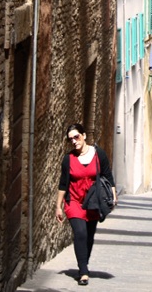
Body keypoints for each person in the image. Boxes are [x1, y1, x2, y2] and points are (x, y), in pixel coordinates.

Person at [56, 123, 117, 286]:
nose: (74, 141)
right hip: (73, 201)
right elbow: (63, 184)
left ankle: (84, 263)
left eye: (76, 137)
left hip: (93, 202)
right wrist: (58, 206)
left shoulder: (99, 154)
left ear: (83, 135)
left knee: (89, 236)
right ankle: (83, 271)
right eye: (71, 139)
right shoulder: (68, 159)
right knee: (81, 233)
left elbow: (108, 176)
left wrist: (113, 195)